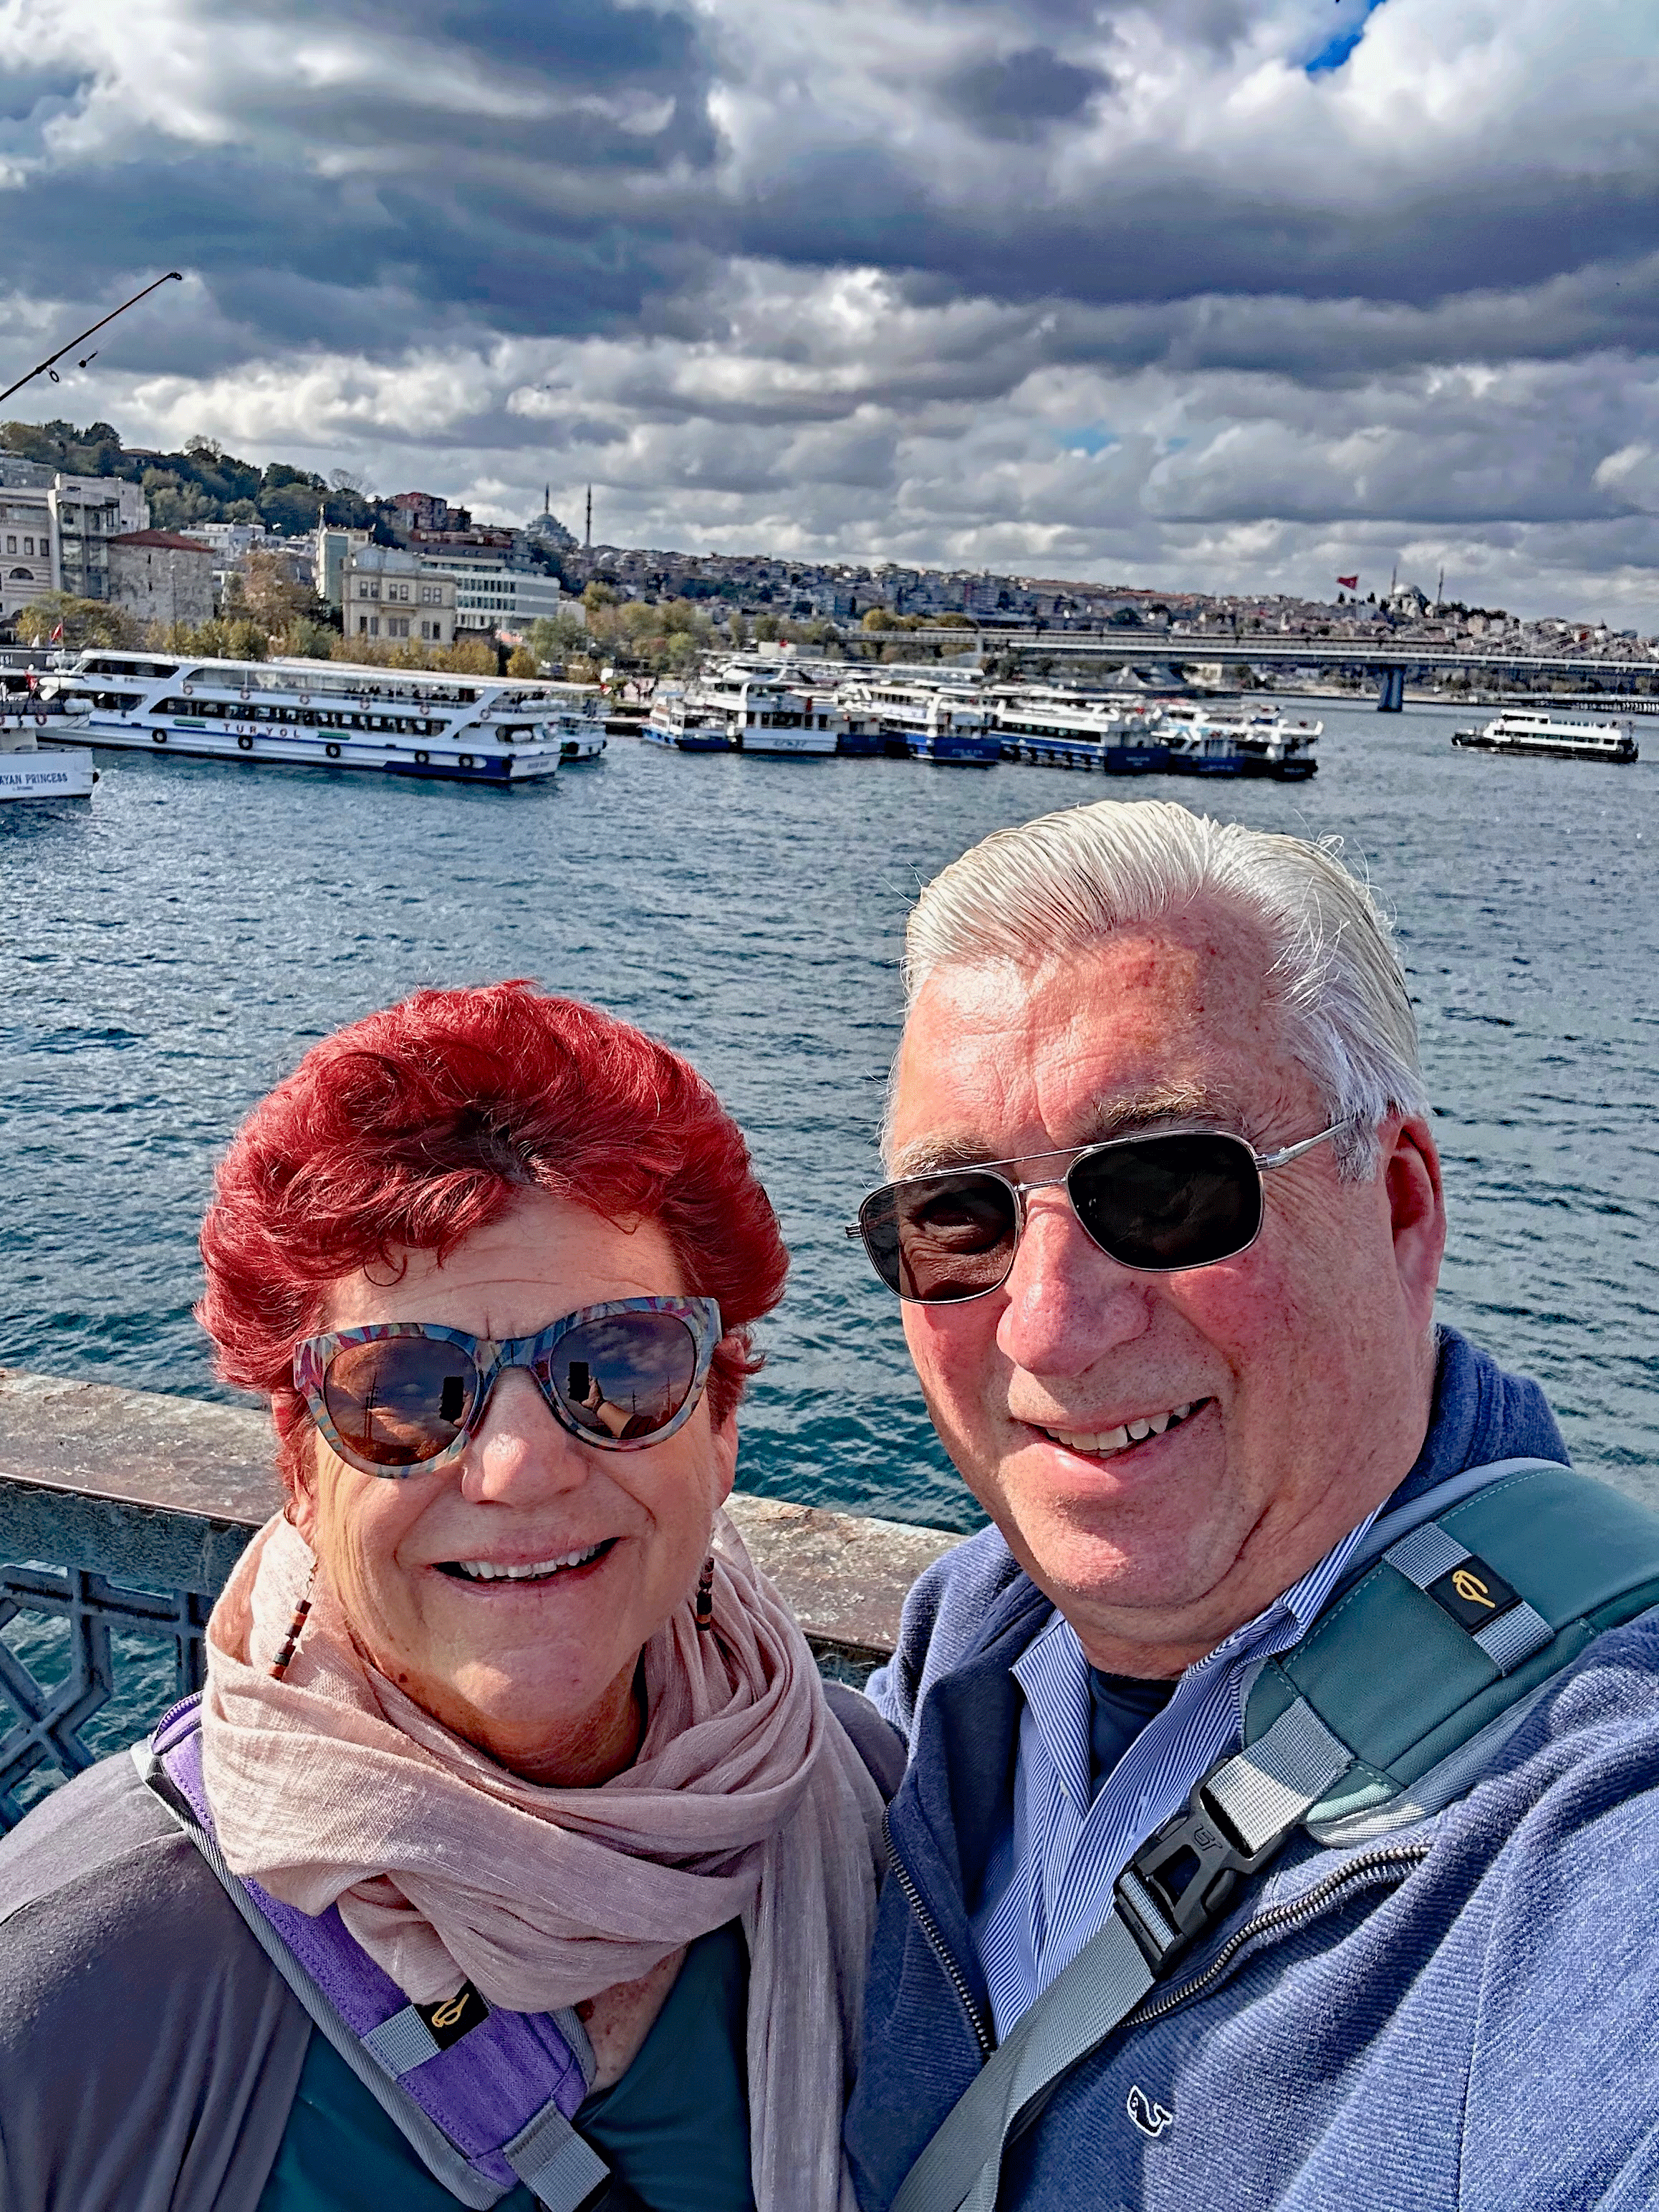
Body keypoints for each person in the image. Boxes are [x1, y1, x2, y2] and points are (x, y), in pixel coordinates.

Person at [842, 799, 1659, 2211]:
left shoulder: (1586, 1828)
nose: (1044, 1327)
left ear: (1402, 1207)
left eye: (1163, 1186)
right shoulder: (965, 1667)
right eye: (961, 1216)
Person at [0, 981, 898, 2212]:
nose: (522, 1467)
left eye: (619, 1367)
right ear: (298, 1465)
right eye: (407, 1389)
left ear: (723, 1423)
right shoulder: (76, 1973)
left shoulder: (868, 1806)